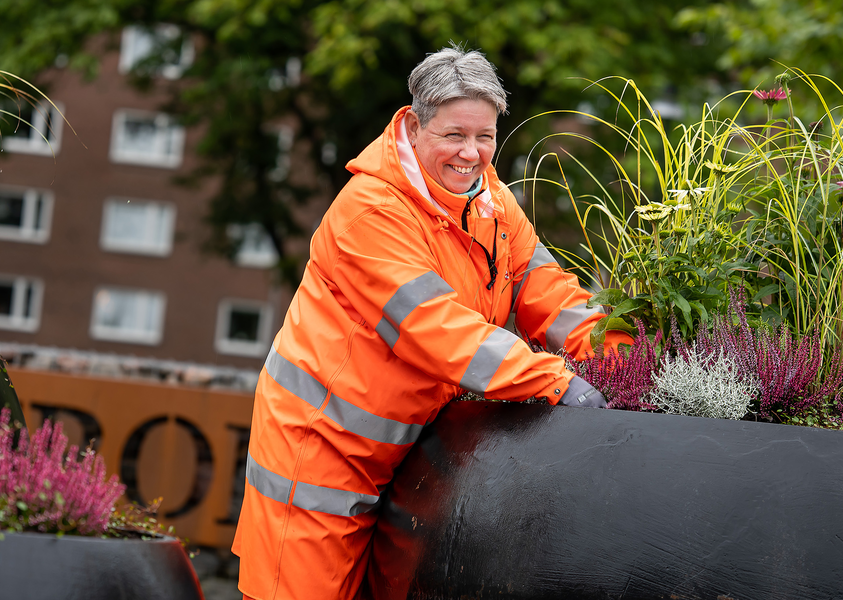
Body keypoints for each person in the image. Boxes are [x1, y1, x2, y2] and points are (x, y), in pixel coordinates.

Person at [231, 46, 629, 600]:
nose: (472, 153)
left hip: (411, 452)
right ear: (415, 126)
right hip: (322, 453)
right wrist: (556, 381)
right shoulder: (371, 210)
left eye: (485, 136)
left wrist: (627, 353)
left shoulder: (491, 201)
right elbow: (435, 329)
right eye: (454, 136)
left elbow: (547, 292)